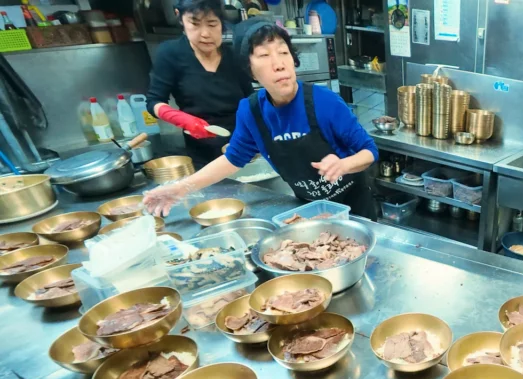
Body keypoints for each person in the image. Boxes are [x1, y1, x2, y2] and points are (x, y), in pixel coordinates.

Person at [144, 20, 378, 218]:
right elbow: (232, 159)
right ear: (250, 70)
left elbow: (369, 151)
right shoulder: (251, 111)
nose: (278, 64)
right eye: (264, 55)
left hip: (354, 208)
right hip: (311, 209)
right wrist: (180, 189)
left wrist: (343, 164)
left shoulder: (324, 101)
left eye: (284, 52)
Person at [146, 0, 254, 166]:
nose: (205, 33)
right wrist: (181, 119)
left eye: (212, 24)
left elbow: (250, 99)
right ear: (180, 18)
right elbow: (154, 102)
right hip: (201, 152)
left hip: (242, 145)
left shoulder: (234, 56)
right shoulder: (170, 53)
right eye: (195, 24)